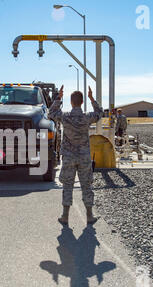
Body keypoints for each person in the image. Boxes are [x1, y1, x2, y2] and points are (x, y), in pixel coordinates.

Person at [49, 85, 103, 225]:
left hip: (69, 157)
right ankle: (90, 216)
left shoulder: (65, 117)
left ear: (71, 102)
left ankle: (65, 216)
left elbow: (51, 113)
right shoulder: (87, 117)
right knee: (86, 185)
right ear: (82, 102)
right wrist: (92, 98)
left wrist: (58, 98)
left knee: (68, 185)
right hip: (84, 157)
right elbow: (99, 113)